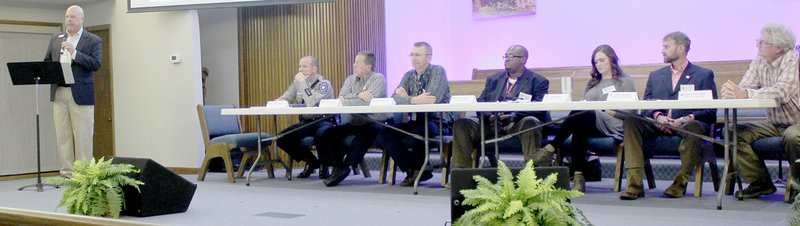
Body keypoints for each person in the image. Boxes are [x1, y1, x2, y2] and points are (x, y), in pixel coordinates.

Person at [619, 31, 717, 200]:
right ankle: (634, 184)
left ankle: (680, 183)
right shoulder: (656, 75)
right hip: (658, 124)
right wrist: (658, 117)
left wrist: (684, 119)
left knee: (696, 127)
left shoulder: (703, 75)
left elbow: (711, 111)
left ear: (680, 48)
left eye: (666, 46)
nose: (662, 51)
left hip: (686, 125)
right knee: (631, 120)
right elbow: (646, 105)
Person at [536, 45, 636, 192]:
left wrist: (610, 112)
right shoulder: (593, 83)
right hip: (591, 121)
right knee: (579, 127)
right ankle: (578, 177)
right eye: (596, 62)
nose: (599, 64)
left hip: (615, 122)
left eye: (602, 60)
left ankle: (551, 148)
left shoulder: (624, 81)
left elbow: (631, 112)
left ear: (612, 60)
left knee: (581, 115)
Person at [721, 24, 800, 199]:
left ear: (778, 47)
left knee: (793, 136)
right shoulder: (759, 61)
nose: (758, 45)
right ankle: (760, 182)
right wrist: (732, 91)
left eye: (762, 42)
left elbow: (782, 92)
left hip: (797, 122)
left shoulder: (792, 59)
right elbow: (744, 87)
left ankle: (798, 183)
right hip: (774, 123)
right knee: (732, 131)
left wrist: (744, 93)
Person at [450, 45, 551, 169]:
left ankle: (532, 173)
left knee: (531, 122)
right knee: (462, 124)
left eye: (511, 56)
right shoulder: (494, 79)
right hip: (491, 123)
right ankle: (461, 172)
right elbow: (481, 102)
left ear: (523, 59)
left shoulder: (538, 81)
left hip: (517, 123)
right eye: (506, 56)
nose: (507, 59)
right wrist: (490, 116)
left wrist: (513, 116)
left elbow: (539, 109)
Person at [376, 42, 453, 186]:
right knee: (385, 133)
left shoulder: (438, 71)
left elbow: (432, 98)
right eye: (411, 55)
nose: (413, 58)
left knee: (420, 131)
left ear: (428, 57)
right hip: (416, 119)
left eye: (417, 55)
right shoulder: (408, 75)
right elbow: (395, 98)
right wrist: (415, 99)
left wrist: (407, 97)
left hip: (438, 121)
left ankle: (418, 170)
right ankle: (413, 169)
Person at [44, 5, 103, 178]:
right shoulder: (56, 38)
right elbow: (47, 61)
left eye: (72, 17)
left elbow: (96, 64)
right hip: (59, 91)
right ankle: (66, 172)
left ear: (81, 19)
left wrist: (75, 53)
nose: (69, 19)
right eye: (67, 16)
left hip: (80, 94)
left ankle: (84, 174)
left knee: (83, 135)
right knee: (63, 134)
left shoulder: (92, 40)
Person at [318, 51, 389, 187]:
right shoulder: (350, 79)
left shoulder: (379, 78)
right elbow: (340, 99)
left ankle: (346, 166)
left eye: (357, 62)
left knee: (364, 135)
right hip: (355, 123)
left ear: (368, 67)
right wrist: (358, 94)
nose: (354, 65)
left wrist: (349, 98)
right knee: (328, 134)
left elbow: (366, 103)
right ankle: (338, 166)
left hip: (374, 122)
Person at [274, 56, 335, 179]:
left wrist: (302, 84)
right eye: (300, 66)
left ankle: (325, 165)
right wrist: (275, 103)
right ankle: (311, 161)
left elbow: (312, 102)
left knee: (321, 135)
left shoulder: (324, 84)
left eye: (304, 66)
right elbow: (286, 97)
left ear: (314, 69)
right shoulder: (297, 83)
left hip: (324, 121)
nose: (300, 70)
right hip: (306, 122)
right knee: (282, 138)